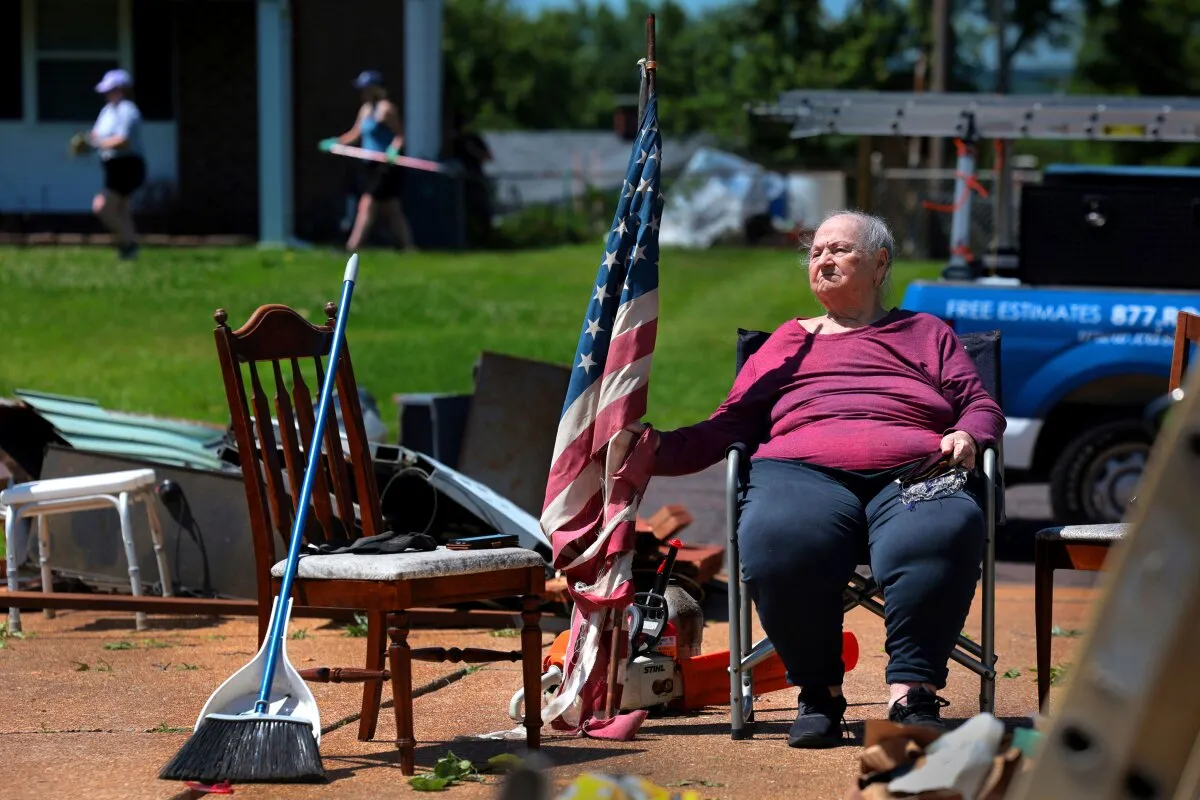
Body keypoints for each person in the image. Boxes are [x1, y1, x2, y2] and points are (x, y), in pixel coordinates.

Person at [630, 210, 1006, 748]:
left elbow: (981, 405)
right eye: (816, 252)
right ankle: (819, 692)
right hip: (801, 473)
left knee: (941, 528)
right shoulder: (785, 342)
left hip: (915, 473)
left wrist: (968, 433)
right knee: (779, 535)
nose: (823, 259)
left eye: (839, 249)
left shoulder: (926, 333)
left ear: (879, 264)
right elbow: (730, 424)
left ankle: (913, 691)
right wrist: (656, 450)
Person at [320, 70, 415, 253]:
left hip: (385, 166)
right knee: (392, 208)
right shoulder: (365, 110)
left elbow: (400, 136)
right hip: (369, 165)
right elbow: (355, 134)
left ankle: (351, 247)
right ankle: (408, 246)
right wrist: (336, 142)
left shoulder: (386, 109)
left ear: (376, 89)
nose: (362, 92)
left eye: (366, 88)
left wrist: (393, 150)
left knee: (367, 204)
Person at [84, 69, 146, 259]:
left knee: (102, 207)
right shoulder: (107, 111)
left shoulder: (128, 110)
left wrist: (95, 144)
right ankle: (129, 251)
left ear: (122, 90)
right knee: (123, 210)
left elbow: (123, 140)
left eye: (111, 90)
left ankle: (128, 243)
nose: (107, 94)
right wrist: (84, 141)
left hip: (127, 166)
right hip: (112, 166)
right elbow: (96, 135)